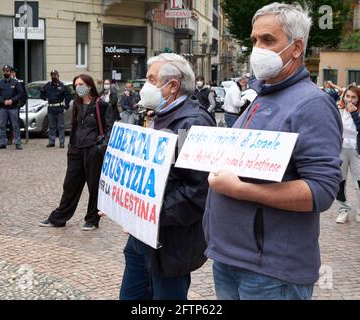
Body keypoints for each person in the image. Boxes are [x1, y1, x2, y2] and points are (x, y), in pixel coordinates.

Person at [203, 2, 342, 300]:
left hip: (271, 273)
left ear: (296, 48)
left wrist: (241, 190)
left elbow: (321, 191)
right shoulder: (261, 96)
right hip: (230, 261)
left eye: (268, 40)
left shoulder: (312, 104)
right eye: (254, 40)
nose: (257, 49)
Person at [117, 53, 216, 300]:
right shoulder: (163, 116)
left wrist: (150, 212)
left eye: (152, 79)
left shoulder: (191, 124)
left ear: (172, 85)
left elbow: (196, 189)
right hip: (144, 237)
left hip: (171, 243)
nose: (145, 85)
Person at [39, 74, 120, 231]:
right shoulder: (75, 104)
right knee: (70, 185)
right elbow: (75, 127)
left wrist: (100, 147)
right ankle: (59, 217)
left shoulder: (101, 105)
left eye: (81, 84)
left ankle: (92, 219)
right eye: (76, 85)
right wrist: (71, 147)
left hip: (93, 150)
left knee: (93, 186)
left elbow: (111, 127)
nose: (78, 87)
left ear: (89, 85)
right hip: (76, 149)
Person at [335, 86, 360, 224]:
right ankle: (343, 209)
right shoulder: (338, 110)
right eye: (348, 96)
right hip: (341, 149)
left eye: (354, 97)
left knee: (359, 182)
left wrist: (354, 113)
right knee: (340, 181)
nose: (350, 100)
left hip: (357, 150)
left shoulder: (357, 112)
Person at [40, 70, 72, 148]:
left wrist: (66, 105)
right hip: (51, 108)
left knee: (61, 126)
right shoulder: (48, 85)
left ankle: (61, 142)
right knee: (51, 126)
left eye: (55, 75)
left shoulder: (62, 86)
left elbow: (68, 96)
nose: (54, 77)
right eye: (52, 75)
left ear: (58, 75)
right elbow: (42, 92)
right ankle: (51, 142)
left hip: (59, 108)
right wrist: (45, 98)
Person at [0, 65, 24, 150]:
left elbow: (20, 93)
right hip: (3, 108)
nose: (6, 73)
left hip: (13, 107)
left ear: (10, 72)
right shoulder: (0, 83)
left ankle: (17, 143)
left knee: (15, 125)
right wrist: (2, 101)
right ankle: (2, 143)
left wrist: (12, 100)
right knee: (2, 125)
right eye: (4, 71)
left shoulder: (16, 82)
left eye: (7, 71)